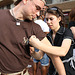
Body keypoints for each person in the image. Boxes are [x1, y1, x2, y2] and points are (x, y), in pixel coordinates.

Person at [0, 0, 47, 75]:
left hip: (23, 72)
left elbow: (42, 54)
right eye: (37, 8)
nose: (38, 14)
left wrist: (35, 52)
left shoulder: (34, 27)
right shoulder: (1, 16)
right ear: (25, 1)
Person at [29, 6, 75, 75]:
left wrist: (38, 44)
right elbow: (40, 55)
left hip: (68, 69)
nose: (48, 22)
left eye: (51, 19)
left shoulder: (67, 32)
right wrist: (33, 53)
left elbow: (63, 51)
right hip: (52, 70)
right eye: (47, 19)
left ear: (59, 19)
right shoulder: (48, 36)